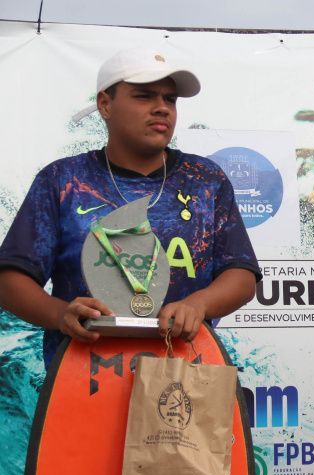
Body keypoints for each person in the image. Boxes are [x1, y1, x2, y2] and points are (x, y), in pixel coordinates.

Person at [0, 46, 260, 367]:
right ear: (105, 104)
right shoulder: (62, 179)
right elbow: (11, 280)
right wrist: (59, 313)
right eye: (144, 96)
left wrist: (199, 304)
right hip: (81, 378)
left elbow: (241, 274)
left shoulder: (206, 179)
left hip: (185, 379)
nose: (162, 108)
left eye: (170, 99)